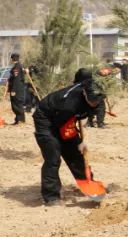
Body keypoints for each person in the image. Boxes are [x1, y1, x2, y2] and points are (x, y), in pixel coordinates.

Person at [32, 76, 108, 205]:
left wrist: (80, 142)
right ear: (84, 93)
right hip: (46, 119)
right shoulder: (69, 104)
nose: (95, 102)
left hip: (66, 119)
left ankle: (88, 184)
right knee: (53, 156)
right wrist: (75, 140)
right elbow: (60, 126)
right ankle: (51, 196)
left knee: (76, 154)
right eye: (92, 100)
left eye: (97, 100)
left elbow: (90, 113)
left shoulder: (98, 96)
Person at [8, 52, 28, 124]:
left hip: (16, 89)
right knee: (17, 104)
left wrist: (13, 90)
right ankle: (18, 119)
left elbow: (16, 79)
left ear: (13, 59)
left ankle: (20, 120)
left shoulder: (16, 67)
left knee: (16, 104)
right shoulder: (20, 66)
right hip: (19, 88)